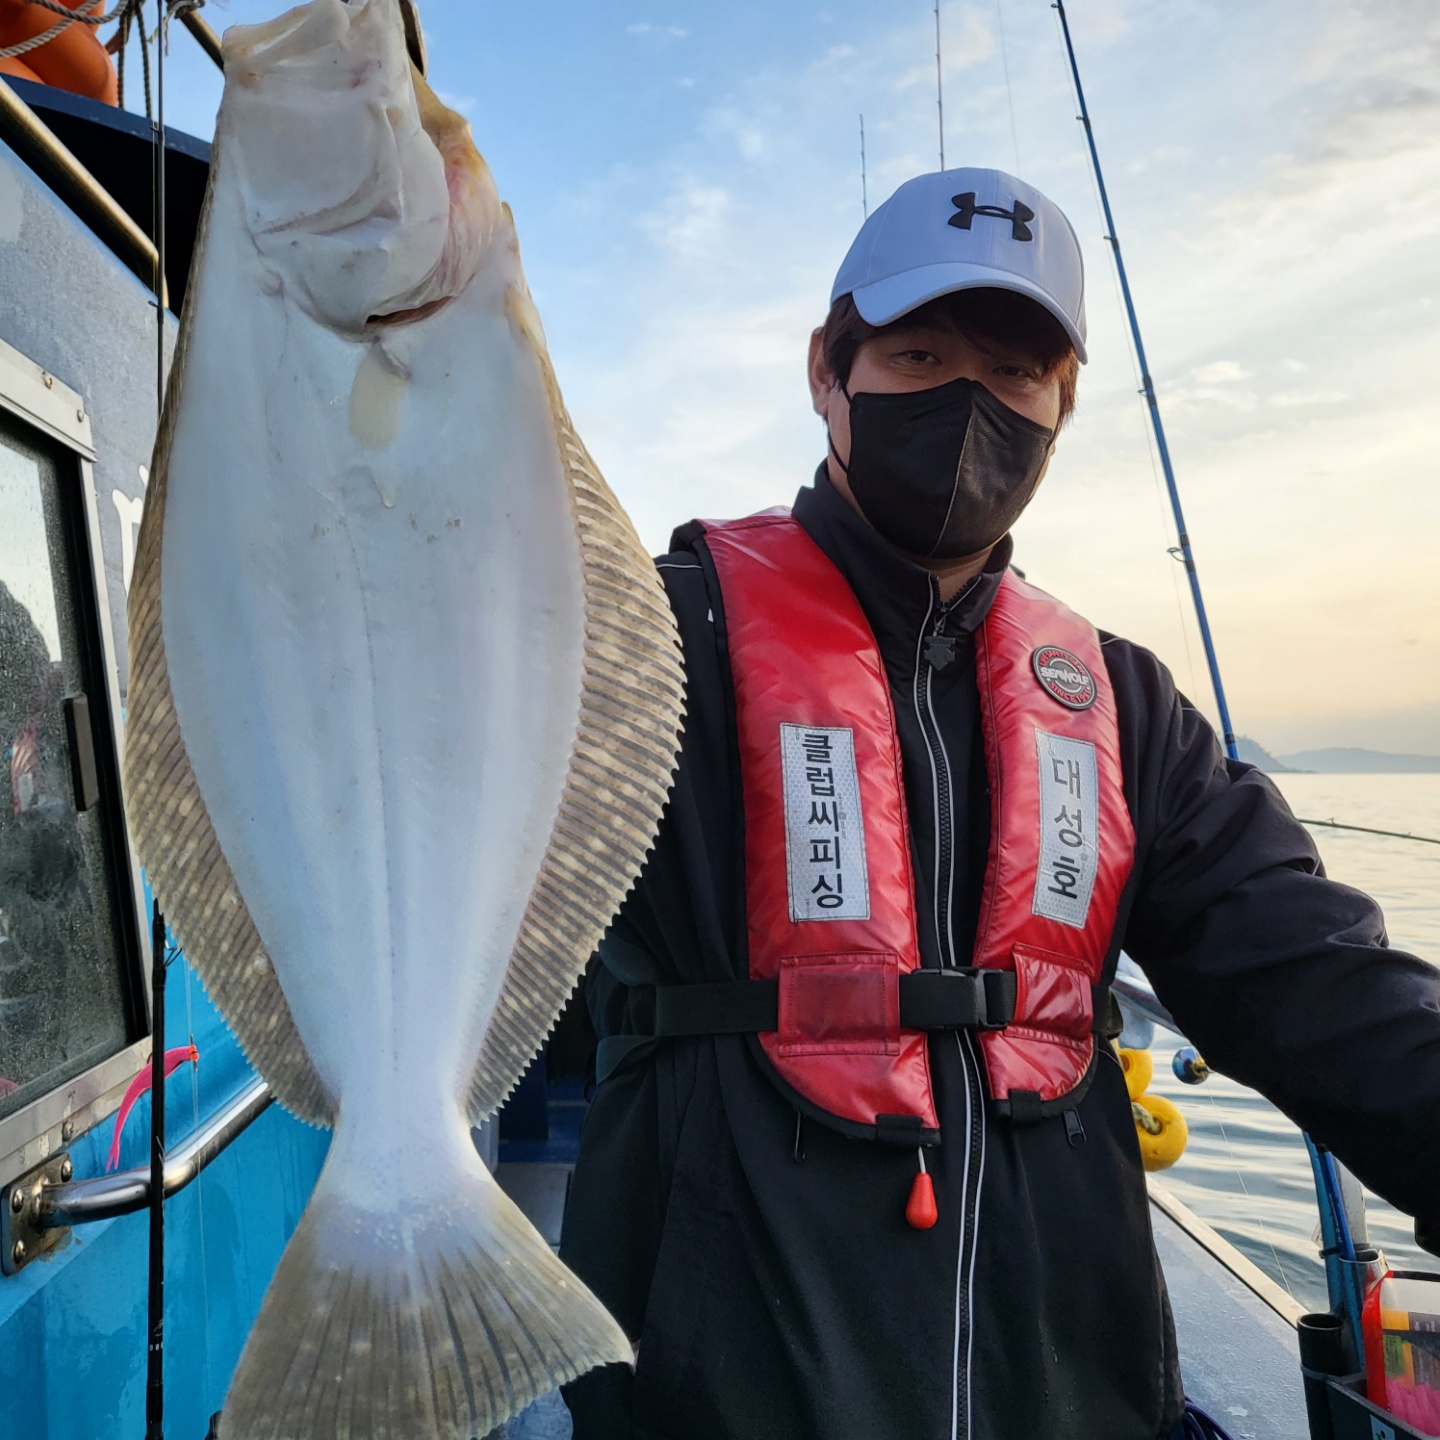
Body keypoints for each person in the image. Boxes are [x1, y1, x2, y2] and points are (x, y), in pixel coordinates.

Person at [556, 167, 1440, 1440]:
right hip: (727, 1388)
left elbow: (1320, 982)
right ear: (827, 372)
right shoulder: (644, 635)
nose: (969, 404)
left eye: (1017, 373)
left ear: (1063, 406)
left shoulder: (1122, 702)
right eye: (917, 355)